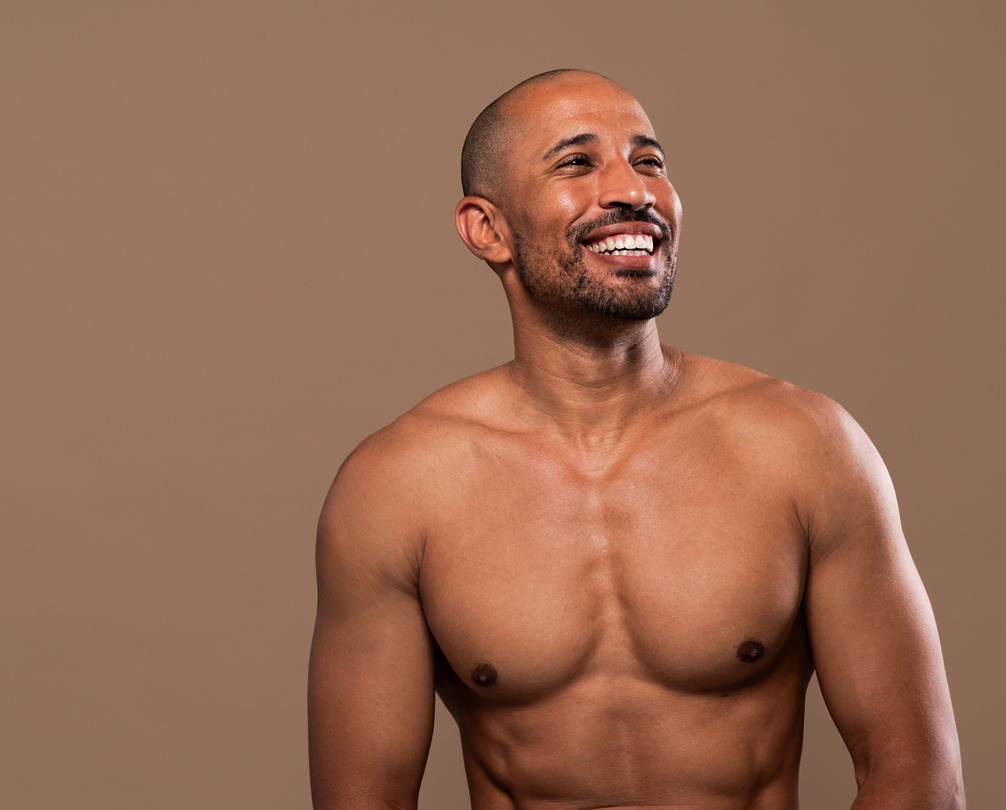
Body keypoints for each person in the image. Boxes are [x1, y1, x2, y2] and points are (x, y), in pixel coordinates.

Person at [307, 69, 965, 810]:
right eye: (577, 163)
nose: (634, 191)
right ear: (486, 230)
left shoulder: (802, 446)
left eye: (648, 160)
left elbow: (915, 775)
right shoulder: (398, 486)